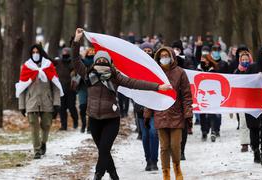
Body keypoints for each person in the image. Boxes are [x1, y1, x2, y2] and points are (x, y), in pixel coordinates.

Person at [72, 28, 171, 180]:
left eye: (105, 61)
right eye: (99, 60)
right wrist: (77, 41)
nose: (102, 62)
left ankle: (98, 175)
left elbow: (135, 83)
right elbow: (76, 60)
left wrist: (158, 87)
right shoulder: (87, 75)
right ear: (94, 61)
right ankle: (113, 174)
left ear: (110, 63)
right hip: (93, 119)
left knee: (104, 149)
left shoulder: (115, 77)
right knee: (103, 151)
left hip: (111, 119)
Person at [144, 47, 193, 180]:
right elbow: (150, 95)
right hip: (160, 113)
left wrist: (188, 114)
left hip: (176, 114)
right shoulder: (155, 73)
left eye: (166, 55)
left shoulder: (180, 73)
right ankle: (166, 173)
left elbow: (187, 95)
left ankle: (177, 168)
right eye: (162, 56)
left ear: (172, 57)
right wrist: (147, 115)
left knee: (175, 145)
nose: (164, 57)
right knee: (164, 147)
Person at [17, 44, 62, 159]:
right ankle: (37, 150)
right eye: (33, 52)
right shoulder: (27, 67)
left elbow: (56, 86)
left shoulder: (49, 66)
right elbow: (21, 88)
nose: (35, 54)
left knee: (46, 125)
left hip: (47, 102)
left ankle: (43, 143)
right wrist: (21, 105)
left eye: (37, 52)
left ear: (41, 53)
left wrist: (56, 103)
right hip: (31, 102)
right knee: (34, 127)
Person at [137, 42, 159, 171]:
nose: (147, 52)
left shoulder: (156, 67)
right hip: (140, 106)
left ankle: (154, 161)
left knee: (153, 133)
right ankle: (148, 160)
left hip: (154, 105)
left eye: (149, 50)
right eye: (144, 50)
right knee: (145, 136)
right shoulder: (136, 66)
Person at [233, 49, 254, 152]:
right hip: (241, 100)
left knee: (253, 122)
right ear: (240, 60)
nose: (245, 61)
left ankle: (254, 141)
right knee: (243, 122)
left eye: (246, 59)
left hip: (252, 99)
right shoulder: (237, 71)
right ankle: (244, 143)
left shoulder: (254, 69)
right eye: (243, 59)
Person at [56, 47, 79, 130]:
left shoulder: (73, 63)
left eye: (66, 53)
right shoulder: (58, 62)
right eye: (63, 53)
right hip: (61, 89)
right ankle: (63, 125)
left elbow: (76, 73)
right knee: (62, 109)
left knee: (71, 107)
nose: (65, 54)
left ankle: (75, 122)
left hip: (71, 90)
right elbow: (49, 60)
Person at [76, 47, 95, 133]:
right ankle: (83, 124)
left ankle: (90, 127)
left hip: (93, 87)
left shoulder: (96, 62)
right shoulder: (82, 61)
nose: (91, 52)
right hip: (82, 87)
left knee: (91, 108)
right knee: (82, 107)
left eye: (92, 51)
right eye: (89, 51)